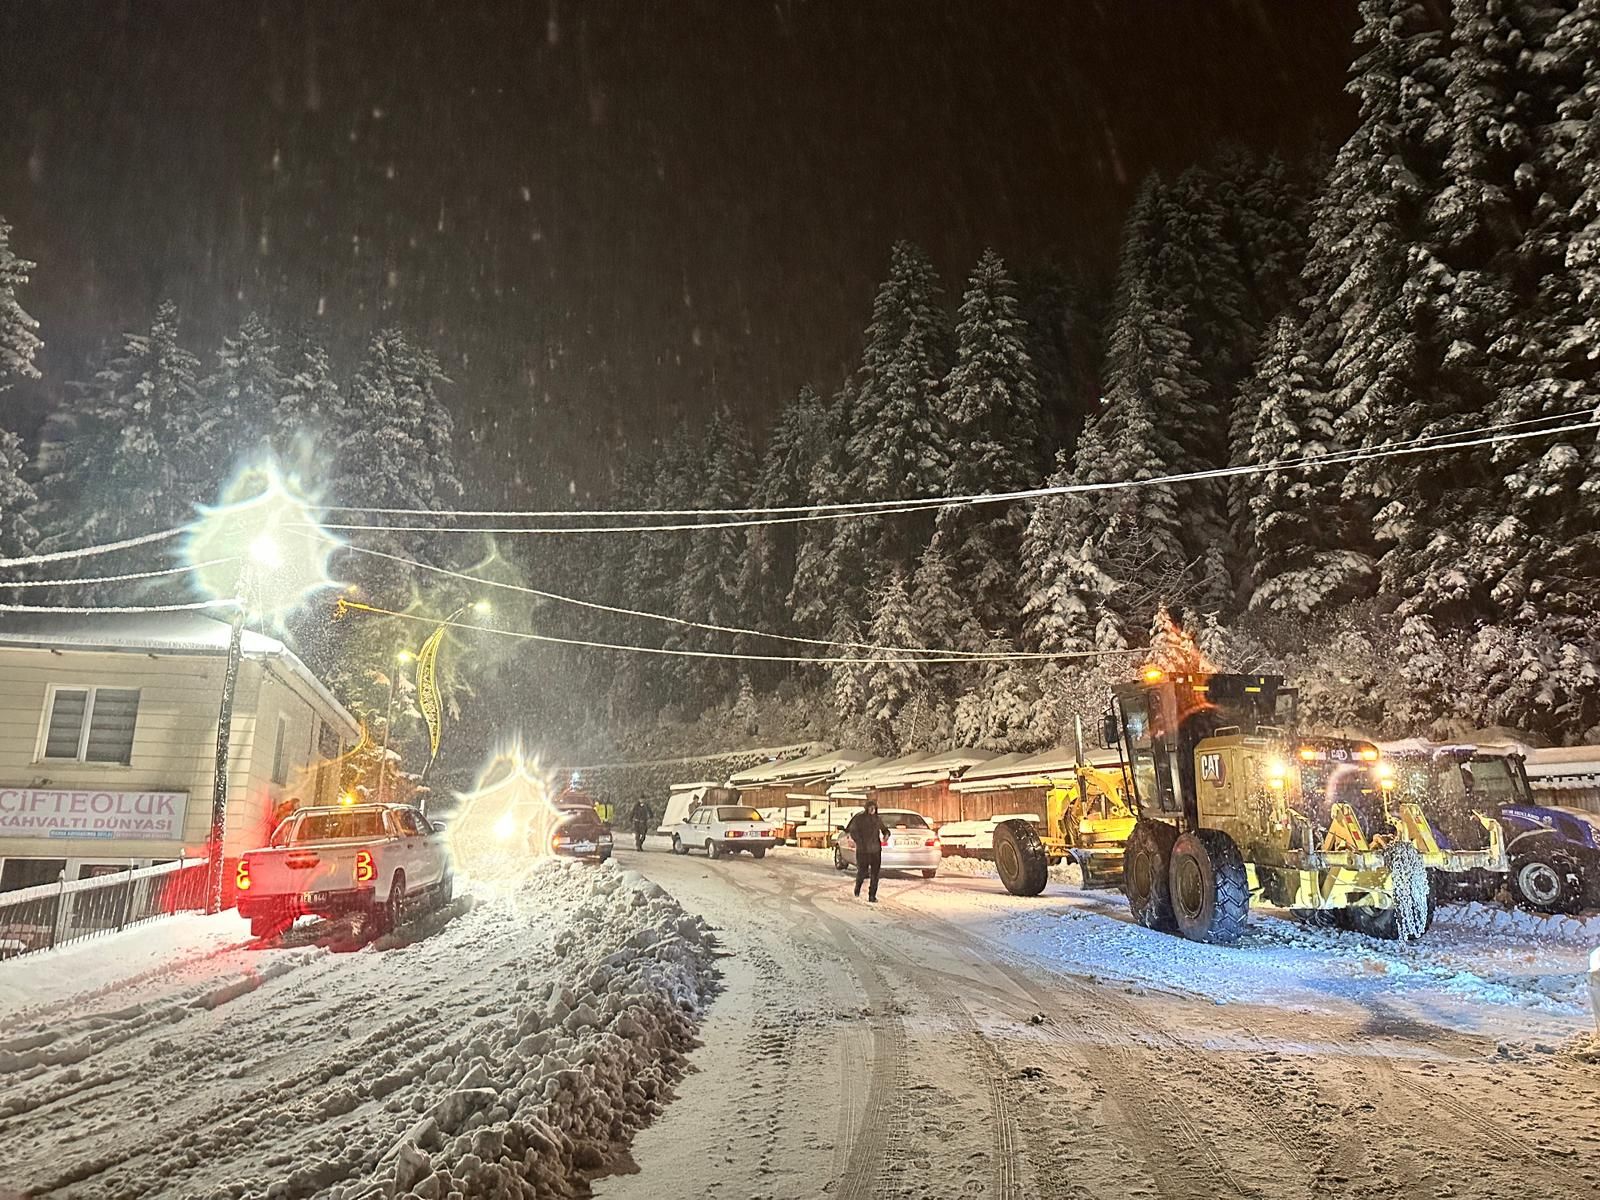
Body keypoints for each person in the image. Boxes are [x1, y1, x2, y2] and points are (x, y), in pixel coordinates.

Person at [843, 799, 890, 903]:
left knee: (875, 874)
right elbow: (853, 831)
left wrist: (886, 834)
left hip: (876, 851)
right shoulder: (860, 819)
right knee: (862, 872)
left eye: (874, 808)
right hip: (863, 851)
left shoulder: (877, 819)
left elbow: (884, 829)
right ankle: (857, 887)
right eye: (870, 807)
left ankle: (872, 895)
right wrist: (860, 842)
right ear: (867, 808)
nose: (872, 809)